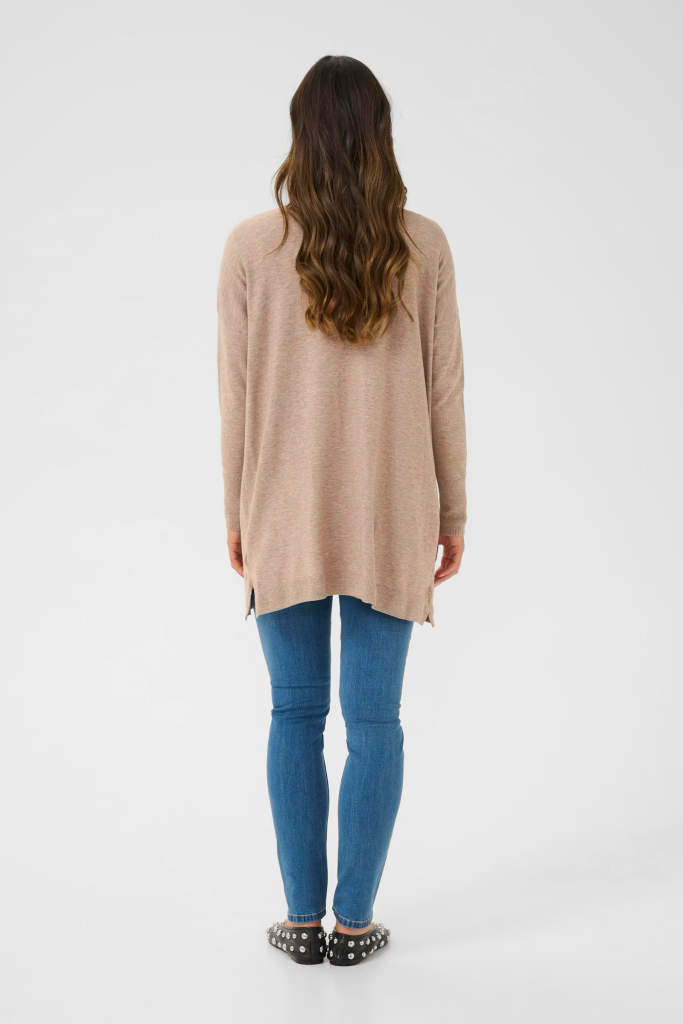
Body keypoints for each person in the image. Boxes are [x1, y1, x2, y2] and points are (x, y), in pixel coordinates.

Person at [217, 55, 466, 967]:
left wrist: (237, 512)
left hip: (281, 504)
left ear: (301, 138)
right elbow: (445, 391)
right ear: (379, 138)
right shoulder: (423, 246)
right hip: (392, 510)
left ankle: (300, 920)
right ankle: (354, 923)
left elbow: (235, 397)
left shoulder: (250, 247)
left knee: (293, 715)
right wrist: (453, 512)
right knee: (373, 723)